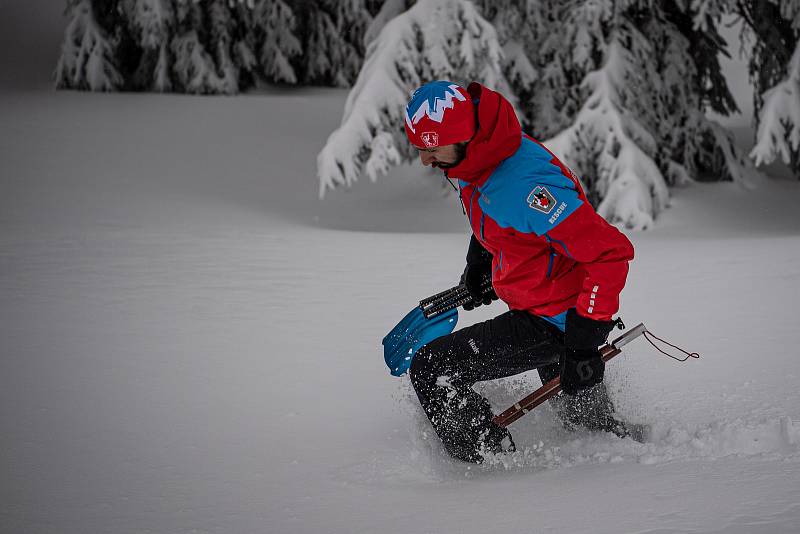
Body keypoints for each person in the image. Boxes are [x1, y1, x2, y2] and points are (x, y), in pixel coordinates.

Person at [403, 80, 636, 463]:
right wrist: (481, 263)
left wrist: (584, 340)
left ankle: (487, 469)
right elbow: (500, 218)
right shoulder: (474, 158)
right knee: (592, 432)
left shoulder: (526, 186)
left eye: (430, 149)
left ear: (463, 136)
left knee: (433, 368)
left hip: (560, 320)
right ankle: (625, 454)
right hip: (541, 301)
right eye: (419, 148)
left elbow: (609, 254)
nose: (424, 160)